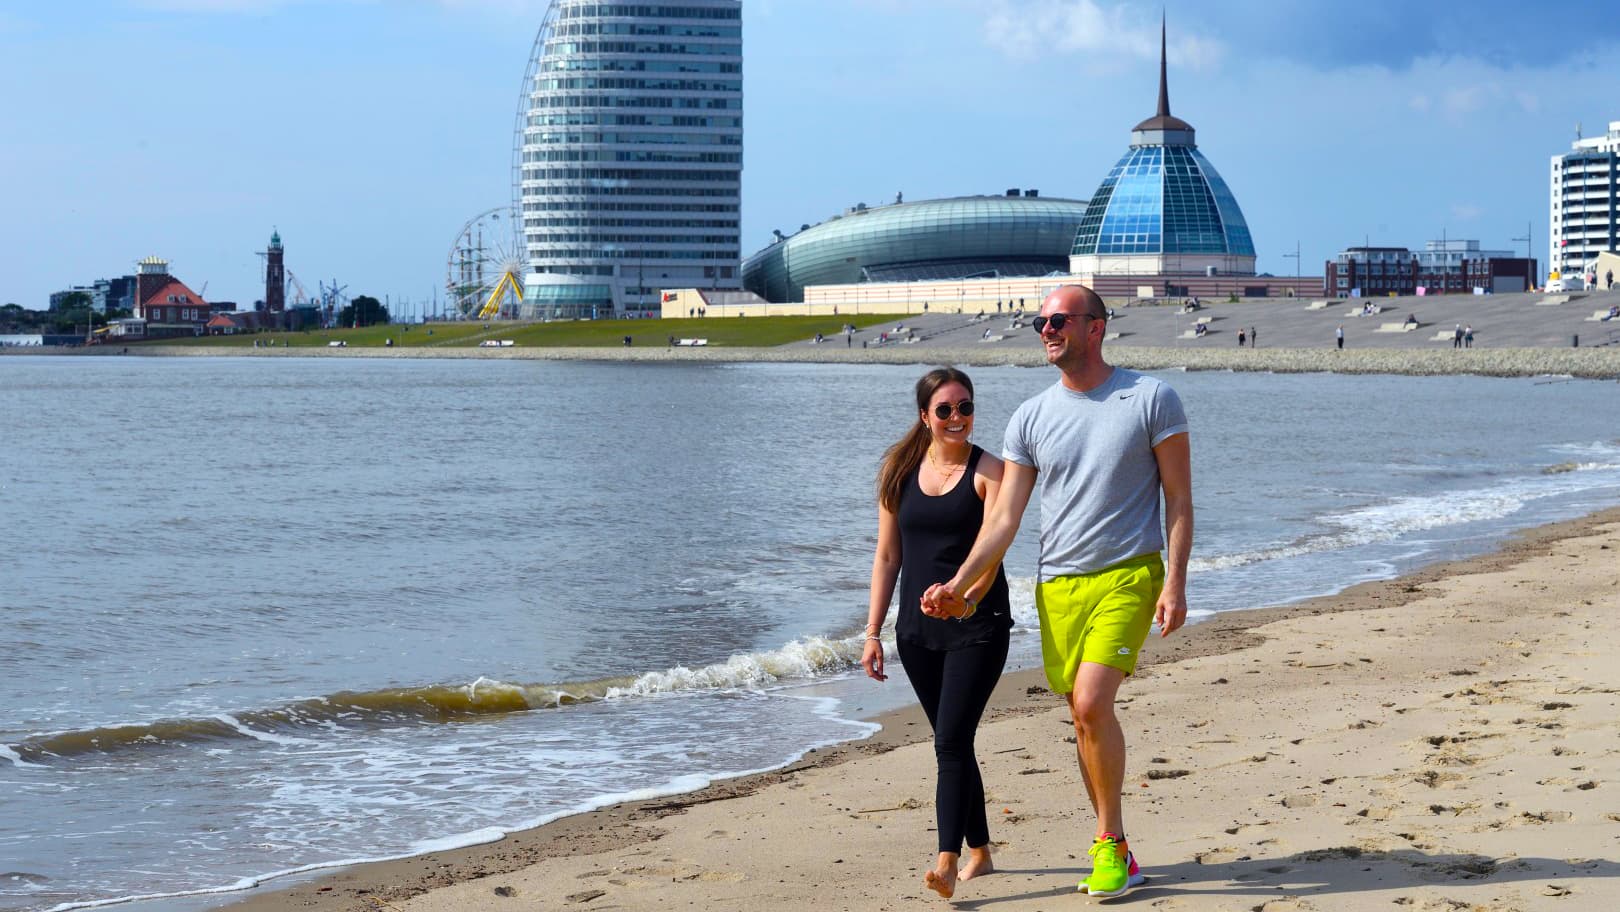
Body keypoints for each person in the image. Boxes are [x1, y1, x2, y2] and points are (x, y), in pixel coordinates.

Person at [922, 285, 1191, 899]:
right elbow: (1004, 520)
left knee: (1094, 704)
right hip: (1058, 584)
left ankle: (1109, 845)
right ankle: (1117, 845)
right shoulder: (1031, 416)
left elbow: (1178, 499)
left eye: (1058, 320)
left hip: (1129, 573)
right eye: (1040, 321)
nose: (1046, 329)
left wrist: (1174, 582)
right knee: (1080, 719)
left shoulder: (1150, 398)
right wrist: (960, 584)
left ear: (1096, 327)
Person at [862, 367, 1012, 900]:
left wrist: (964, 596)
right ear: (924, 415)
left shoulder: (992, 471)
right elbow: (887, 556)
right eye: (945, 409)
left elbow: (993, 554)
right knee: (955, 741)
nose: (957, 418)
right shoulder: (899, 471)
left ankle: (947, 860)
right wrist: (873, 631)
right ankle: (982, 851)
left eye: (965, 407)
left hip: (978, 627)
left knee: (949, 741)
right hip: (915, 632)